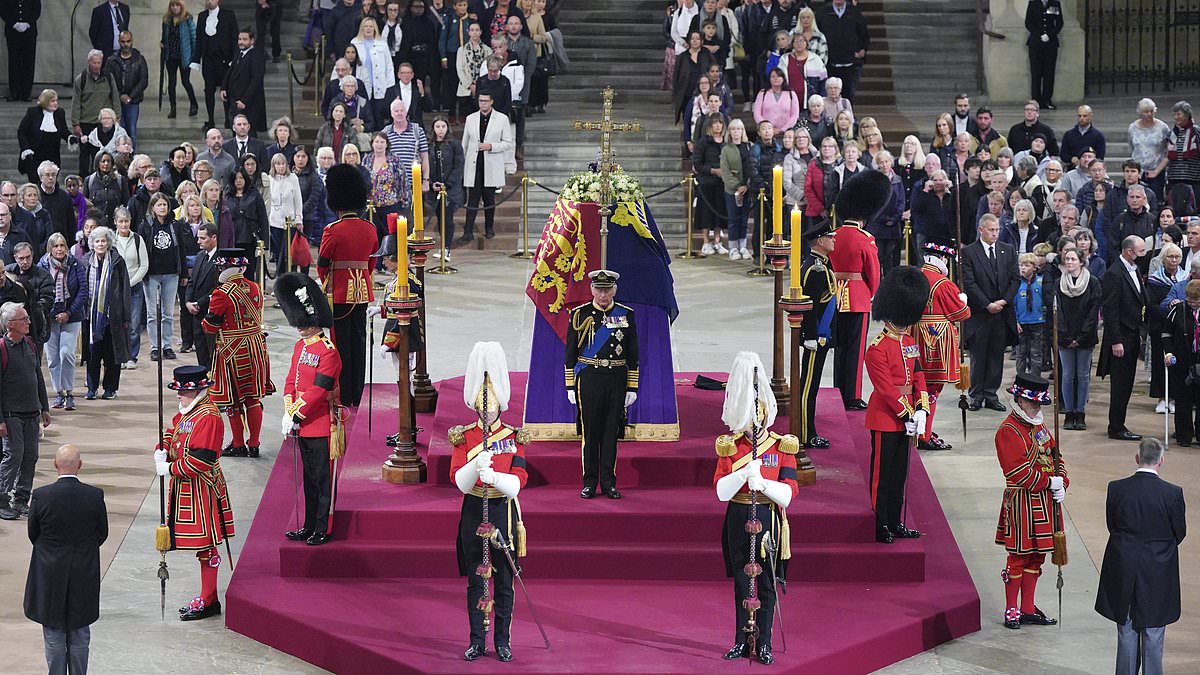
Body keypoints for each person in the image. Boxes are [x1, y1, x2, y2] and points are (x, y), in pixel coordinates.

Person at [713, 351, 797, 666]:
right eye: (749, 421)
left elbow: (788, 494)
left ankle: (764, 642)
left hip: (768, 518)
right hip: (737, 516)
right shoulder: (731, 446)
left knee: (765, 583)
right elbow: (721, 491)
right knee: (740, 580)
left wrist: (764, 484)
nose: (754, 427)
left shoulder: (780, 445)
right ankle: (740, 640)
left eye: (757, 420)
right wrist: (742, 475)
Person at [448, 341, 529, 663]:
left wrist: (494, 477)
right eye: (482, 406)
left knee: (505, 583)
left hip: (502, 510)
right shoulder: (464, 436)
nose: (486, 411)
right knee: (475, 581)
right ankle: (476, 641)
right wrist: (474, 466)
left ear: (500, 406)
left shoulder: (513, 436)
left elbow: (519, 483)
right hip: (473, 510)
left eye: (491, 406)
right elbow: (458, 481)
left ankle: (503, 640)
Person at [1095, 437, 1186, 674]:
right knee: (1154, 633)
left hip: (1124, 567)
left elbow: (1112, 525)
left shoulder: (1116, 488)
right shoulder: (1172, 494)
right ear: (1161, 461)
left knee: (1126, 630)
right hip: (1158, 571)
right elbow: (1179, 533)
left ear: (1137, 458)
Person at [154, 364, 234, 621]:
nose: (178, 395)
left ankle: (209, 599)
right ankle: (208, 596)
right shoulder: (190, 411)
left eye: (182, 391)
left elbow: (203, 460)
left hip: (203, 489)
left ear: (198, 390)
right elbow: (173, 431)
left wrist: (170, 468)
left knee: (207, 545)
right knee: (202, 546)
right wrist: (162, 447)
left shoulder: (208, 416)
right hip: (186, 488)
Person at [23, 444, 107, 674]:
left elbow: (34, 534)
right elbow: (102, 533)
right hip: (84, 571)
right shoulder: (94, 495)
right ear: (79, 465)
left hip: (49, 572)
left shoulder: (41, 495)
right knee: (80, 633)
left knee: (53, 634)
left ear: (54, 465)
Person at [993, 371, 1065, 629]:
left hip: (1044, 503)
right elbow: (1016, 472)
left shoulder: (1041, 426)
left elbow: (1056, 457)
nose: (1037, 408)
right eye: (1033, 403)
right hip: (1022, 502)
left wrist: (1062, 482)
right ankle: (1011, 608)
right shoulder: (1008, 431)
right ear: (1020, 400)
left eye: (1039, 404)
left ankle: (1027, 607)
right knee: (1019, 556)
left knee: (1037, 557)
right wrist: (1050, 482)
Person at [864, 265, 929, 543]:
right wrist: (908, 413)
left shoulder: (909, 341)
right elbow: (886, 390)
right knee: (883, 475)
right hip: (885, 418)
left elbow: (917, 374)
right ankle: (880, 523)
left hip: (908, 417)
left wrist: (923, 407)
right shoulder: (876, 348)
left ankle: (894, 520)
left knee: (900, 473)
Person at [276, 272, 342, 546]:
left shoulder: (329, 352)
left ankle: (322, 527)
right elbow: (291, 381)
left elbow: (319, 391)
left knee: (321, 480)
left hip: (319, 423)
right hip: (302, 423)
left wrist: (297, 413)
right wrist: (288, 408)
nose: (300, 328)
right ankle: (307, 526)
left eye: (304, 324)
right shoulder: (300, 346)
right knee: (308, 479)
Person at [564, 270, 638, 500]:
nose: (603, 294)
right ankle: (589, 482)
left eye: (607, 289)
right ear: (592, 290)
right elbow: (570, 352)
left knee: (610, 434)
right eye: (599, 289)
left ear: (615, 290)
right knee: (590, 433)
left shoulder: (627, 315)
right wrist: (569, 386)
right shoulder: (579, 314)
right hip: (589, 380)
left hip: (616, 379)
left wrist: (631, 387)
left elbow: (633, 352)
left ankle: (608, 483)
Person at [201, 248, 274, 458]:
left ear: (224, 268)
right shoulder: (256, 287)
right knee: (253, 399)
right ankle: (254, 444)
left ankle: (239, 443)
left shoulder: (221, 293)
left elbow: (211, 327)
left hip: (232, 352)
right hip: (256, 348)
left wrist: (205, 320)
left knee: (232, 401)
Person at [317, 165, 378, 408]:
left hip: (340, 293)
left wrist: (328, 283)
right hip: (362, 291)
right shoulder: (370, 228)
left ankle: (344, 394)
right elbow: (371, 261)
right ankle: (358, 392)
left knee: (340, 344)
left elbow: (322, 264)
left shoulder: (332, 230)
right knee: (359, 341)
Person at [829, 170, 885, 410]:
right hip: (858, 297)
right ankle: (851, 395)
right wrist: (873, 293)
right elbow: (873, 272)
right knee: (855, 349)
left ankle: (838, 389)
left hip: (835, 295)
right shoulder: (865, 238)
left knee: (840, 348)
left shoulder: (834, 235)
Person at [914, 241, 970, 450]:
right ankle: (924, 434)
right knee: (931, 389)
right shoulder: (943, 283)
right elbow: (961, 313)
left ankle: (920, 428)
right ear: (944, 259)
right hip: (937, 340)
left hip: (914, 336)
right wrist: (962, 300)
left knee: (917, 385)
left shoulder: (914, 276)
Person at [961, 214, 1019, 410]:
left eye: (997, 230)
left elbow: (1015, 279)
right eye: (991, 230)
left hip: (1001, 313)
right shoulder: (969, 252)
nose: (995, 233)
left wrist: (1003, 301)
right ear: (981, 230)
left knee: (996, 355)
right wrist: (987, 304)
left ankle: (991, 394)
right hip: (980, 314)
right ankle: (976, 395)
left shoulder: (1008, 250)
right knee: (978, 356)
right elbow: (968, 282)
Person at [0, 301, 51, 520]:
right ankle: (2, 499)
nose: (29, 322)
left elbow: (37, 377)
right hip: (11, 414)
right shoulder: (2, 349)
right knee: (14, 456)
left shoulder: (29, 343)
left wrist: (44, 407)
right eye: (24, 319)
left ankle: (21, 499)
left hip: (31, 412)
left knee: (31, 457)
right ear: (10, 324)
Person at [1100, 235, 1149, 441]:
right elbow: (1110, 310)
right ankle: (1116, 426)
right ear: (1129, 251)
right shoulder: (1114, 273)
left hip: (1132, 334)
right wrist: (1116, 340)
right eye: (1141, 251)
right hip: (1121, 338)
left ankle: (1119, 423)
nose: (1143, 254)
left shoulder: (1134, 268)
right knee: (1120, 385)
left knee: (1127, 383)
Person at [796, 218, 835, 447]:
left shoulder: (821, 263)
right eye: (830, 237)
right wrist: (809, 335)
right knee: (807, 387)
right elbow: (808, 304)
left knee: (813, 386)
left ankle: (808, 430)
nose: (833, 240)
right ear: (820, 240)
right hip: (815, 337)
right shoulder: (815, 268)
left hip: (822, 335)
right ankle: (805, 434)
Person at [139, 193, 192, 362]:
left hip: (171, 274)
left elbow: (181, 250)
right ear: (152, 208)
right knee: (152, 314)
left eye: (165, 205)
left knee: (168, 313)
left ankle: (167, 345)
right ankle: (155, 347)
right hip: (151, 275)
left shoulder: (175, 225)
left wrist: (183, 272)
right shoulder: (145, 226)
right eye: (159, 205)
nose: (162, 208)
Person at [1053, 247, 1101, 430]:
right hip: (1065, 337)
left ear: (1082, 261)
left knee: (1082, 376)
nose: (1070, 262)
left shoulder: (1093, 282)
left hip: (1085, 337)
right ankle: (1069, 413)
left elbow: (1093, 312)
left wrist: (1080, 337)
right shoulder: (1059, 283)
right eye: (1067, 259)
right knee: (1066, 375)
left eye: (1073, 259)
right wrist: (1067, 336)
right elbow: (1058, 312)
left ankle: (1080, 413)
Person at [39, 234, 86, 411]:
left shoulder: (75, 264)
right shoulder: (42, 265)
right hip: (50, 318)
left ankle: (69, 392)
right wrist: (52, 313)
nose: (59, 249)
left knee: (67, 353)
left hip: (71, 316)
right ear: (50, 248)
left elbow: (83, 291)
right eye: (55, 246)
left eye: (62, 245)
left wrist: (68, 312)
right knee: (52, 358)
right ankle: (59, 393)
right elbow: (41, 291)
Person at [460, 92, 512, 242]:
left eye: (485, 101)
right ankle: (468, 230)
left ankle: (489, 227)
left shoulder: (502, 119)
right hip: (474, 164)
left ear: (491, 102)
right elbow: (465, 142)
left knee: (489, 199)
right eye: (480, 101)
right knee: (473, 200)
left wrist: (491, 146)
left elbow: (508, 143)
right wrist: (462, 163)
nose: (482, 103)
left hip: (491, 163)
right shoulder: (471, 118)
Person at [71, 51, 119, 177]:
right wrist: (75, 123)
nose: (97, 65)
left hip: (102, 123)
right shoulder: (81, 79)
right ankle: (83, 178)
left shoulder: (108, 77)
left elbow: (115, 97)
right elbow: (76, 102)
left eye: (99, 63)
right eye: (94, 63)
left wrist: (117, 117)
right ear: (89, 62)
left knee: (99, 153)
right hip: (86, 121)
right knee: (84, 154)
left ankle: (99, 176)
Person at [192, 0, 239, 131]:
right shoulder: (202, 16)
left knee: (226, 91)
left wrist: (233, 58)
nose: (209, 1)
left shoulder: (228, 15)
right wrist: (196, 59)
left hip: (224, 60)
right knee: (209, 90)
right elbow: (199, 39)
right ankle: (211, 119)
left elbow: (234, 37)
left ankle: (228, 119)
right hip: (208, 60)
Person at [719, 118, 757, 261]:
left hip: (747, 189)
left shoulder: (749, 146)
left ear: (743, 131)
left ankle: (743, 246)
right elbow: (725, 171)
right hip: (732, 190)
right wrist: (737, 186)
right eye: (733, 129)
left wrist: (747, 185)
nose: (736, 132)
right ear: (729, 132)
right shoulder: (726, 149)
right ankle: (733, 247)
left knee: (744, 219)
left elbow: (752, 167)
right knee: (734, 219)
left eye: (739, 129)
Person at [816, 0, 867, 101]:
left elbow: (864, 34)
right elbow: (818, 34)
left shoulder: (854, 13)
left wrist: (861, 49)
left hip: (850, 62)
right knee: (829, 94)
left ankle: (847, 115)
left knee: (848, 93)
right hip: (829, 62)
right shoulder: (823, 13)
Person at [18, 91, 72, 186]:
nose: (55, 103)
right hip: (35, 155)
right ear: (45, 101)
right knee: (35, 182)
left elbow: (63, 130)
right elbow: (22, 131)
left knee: (51, 181)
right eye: (52, 101)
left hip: (53, 154)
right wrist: (26, 148)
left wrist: (70, 137)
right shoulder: (33, 112)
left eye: (56, 100)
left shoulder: (59, 113)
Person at [104, 32, 148, 146]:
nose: (125, 44)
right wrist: (119, 96)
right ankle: (119, 158)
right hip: (116, 101)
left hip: (133, 101)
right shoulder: (112, 60)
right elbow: (107, 81)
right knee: (118, 131)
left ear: (132, 41)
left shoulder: (139, 59)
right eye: (123, 42)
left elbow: (143, 80)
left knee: (131, 131)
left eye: (128, 41)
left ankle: (132, 159)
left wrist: (130, 96)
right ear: (119, 42)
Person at [184, 223, 219, 369]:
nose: (198, 241)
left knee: (212, 351)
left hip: (211, 312)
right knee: (200, 349)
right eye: (198, 238)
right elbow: (191, 282)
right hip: (196, 313)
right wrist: (187, 302)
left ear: (214, 238)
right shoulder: (200, 256)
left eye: (203, 238)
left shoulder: (220, 260)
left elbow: (218, 288)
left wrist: (199, 303)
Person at [222, 28, 267, 133]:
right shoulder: (239, 53)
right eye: (239, 39)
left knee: (248, 131)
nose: (241, 42)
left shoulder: (256, 56)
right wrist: (224, 87)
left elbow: (256, 80)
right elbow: (231, 70)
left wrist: (244, 100)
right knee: (235, 128)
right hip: (235, 98)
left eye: (244, 39)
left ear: (252, 41)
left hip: (249, 101)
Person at [428, 115, 465, 246]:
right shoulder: (429, 145)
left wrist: (448, 184)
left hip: (450, 190)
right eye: (437, 127)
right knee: (439, 218)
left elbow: (459, 165)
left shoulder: (454, 144)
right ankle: (444, 246)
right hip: (434, 189)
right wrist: (432, 184)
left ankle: (447, 247)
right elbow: (425, 166)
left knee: (448, 219)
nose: (440, 130)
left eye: (443, 126)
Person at [266, 153, 304, 277]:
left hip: (290, 222)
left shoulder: (293, 178)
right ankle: (280, 280)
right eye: (278, 164)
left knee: (291, 254)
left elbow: (298, 200)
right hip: (274, 222)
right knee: (278, 254)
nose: (281, 167)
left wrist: (299, 219)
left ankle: (292, 279)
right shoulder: (269, 179)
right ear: (273, 166)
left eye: (283, 164)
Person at [161, 0, 199, 119]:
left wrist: (194, 56)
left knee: (185, 81)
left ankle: (193, 103)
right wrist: (162, 43)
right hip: (171, 55)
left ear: (181, 7)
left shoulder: (187, 19)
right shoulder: (166, 20)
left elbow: (194, 37)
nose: (175, 8)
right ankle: (173, 108)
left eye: (177, 5)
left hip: (184, 56)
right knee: (171, 84)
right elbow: (164, 36)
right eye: (172, 5)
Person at [1025, 0, 1062, 110]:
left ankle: (1047, 99)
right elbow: (1028, 23)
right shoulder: (1033, 3)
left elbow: (1059, 23)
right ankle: (1036, 100)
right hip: (1035, 43)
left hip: (1050, 44)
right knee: (1036, 72)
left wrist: (1049, 35)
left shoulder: (1055, 4)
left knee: (1049, 73)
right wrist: (1039, 34)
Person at [1, 0, 41, 103]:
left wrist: (27, 23)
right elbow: (3, 10)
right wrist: (14, 24)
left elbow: (36, 10)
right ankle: (14, 92)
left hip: (29, 32)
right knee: (14, 62)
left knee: (28, 62)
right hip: (12, 31)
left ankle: (26, 93)